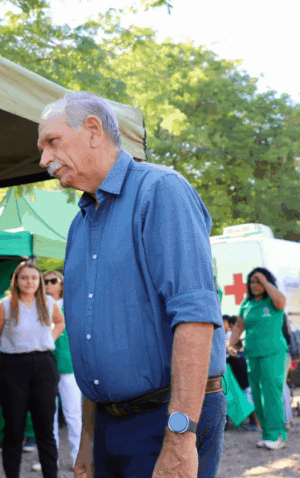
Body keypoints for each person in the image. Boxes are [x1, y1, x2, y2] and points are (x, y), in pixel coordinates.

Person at [38, 91, 226, 478]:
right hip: (109, 427)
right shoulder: (79, 225)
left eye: (51, 142)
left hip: (167, 421)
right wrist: (88, 440)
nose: (43, 159)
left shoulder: (161, 190)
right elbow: (89, 340)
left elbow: (195, 317)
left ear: (93, 130)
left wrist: (180, 439)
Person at [0, 261, 65, 478]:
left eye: (34, 278)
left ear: (39, 282)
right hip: (12, 368)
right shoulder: (5, 305)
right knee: (14, 430)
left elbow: (60, 322)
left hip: (44, 366)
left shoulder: (48, 303)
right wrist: (15, 346)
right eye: (24, 278)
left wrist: (48, 339)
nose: (29, 282)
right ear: (17, 281)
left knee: (45, 430)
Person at [227, 268, 289, 450]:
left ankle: (278, 434)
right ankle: (267, 434)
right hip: (253, 354)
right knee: (257, 394)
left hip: (273, 353)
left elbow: (281, 302)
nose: (255, 285)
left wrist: (265, 280)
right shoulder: (247, 304)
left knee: (271, 393)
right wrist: (231, 343)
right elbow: (239, 326)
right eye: (252, 282)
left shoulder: (273, 300)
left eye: (259, 282)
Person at [44, 270, 83, 471]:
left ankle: (78, 459)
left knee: (74, 414)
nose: (48, 284)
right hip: (45, 366)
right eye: (45, 281)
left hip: (68, 366)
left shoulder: (73, 306)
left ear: (61, 284)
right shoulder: (39, 306)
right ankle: (51, 460)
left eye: (53, 280)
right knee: (47, 416)